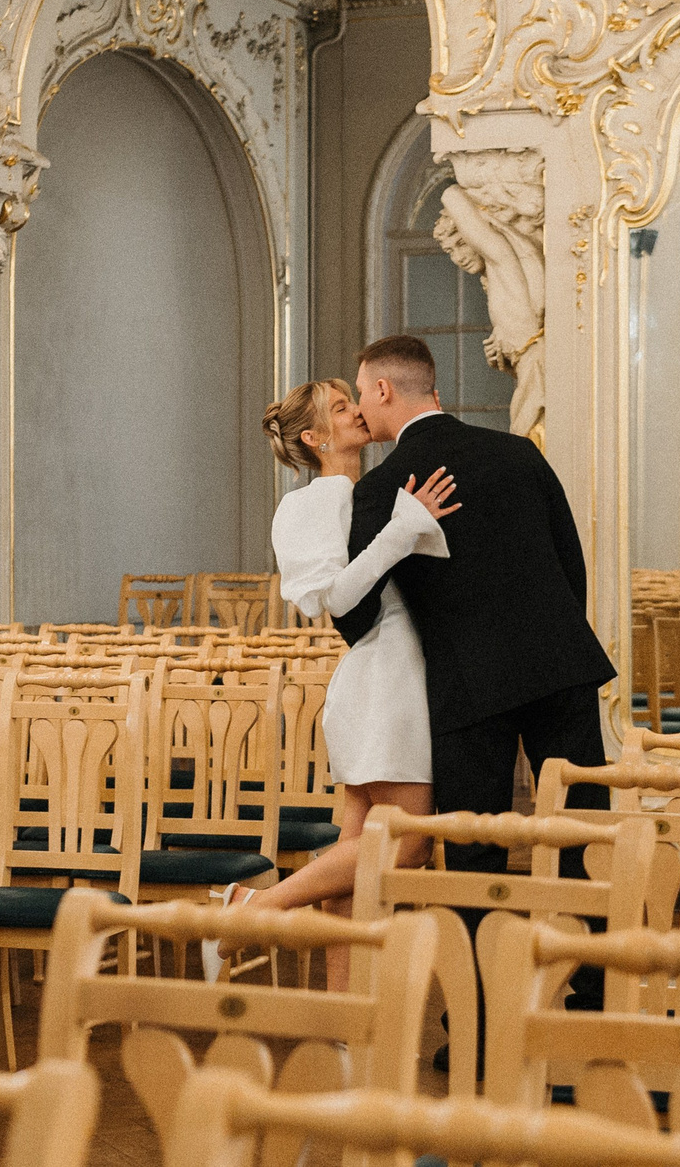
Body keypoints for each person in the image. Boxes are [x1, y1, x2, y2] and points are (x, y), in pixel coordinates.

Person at [204, 377, 459, 982]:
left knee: (354, 862)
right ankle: (253, 907)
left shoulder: (370, 489)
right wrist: (403, 529)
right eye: (341, 408)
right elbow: (337, 599)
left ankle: (342, 1011)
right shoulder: (310, 504)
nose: (356, 412)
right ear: (316, 437)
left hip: (393, 672)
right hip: (383, 678)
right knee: (409, 845)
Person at [343, 334, 616, 872]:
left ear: (383, 389)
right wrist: (554, 636)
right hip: (560, 662)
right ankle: (585, 931)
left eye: (361, 392)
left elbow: (357, 617)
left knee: (474, 850)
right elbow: (571, 563)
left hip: (467, 679)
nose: (358, 406)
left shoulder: (381, 486)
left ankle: (475, 931)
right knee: (581, 837)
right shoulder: (518, 452)